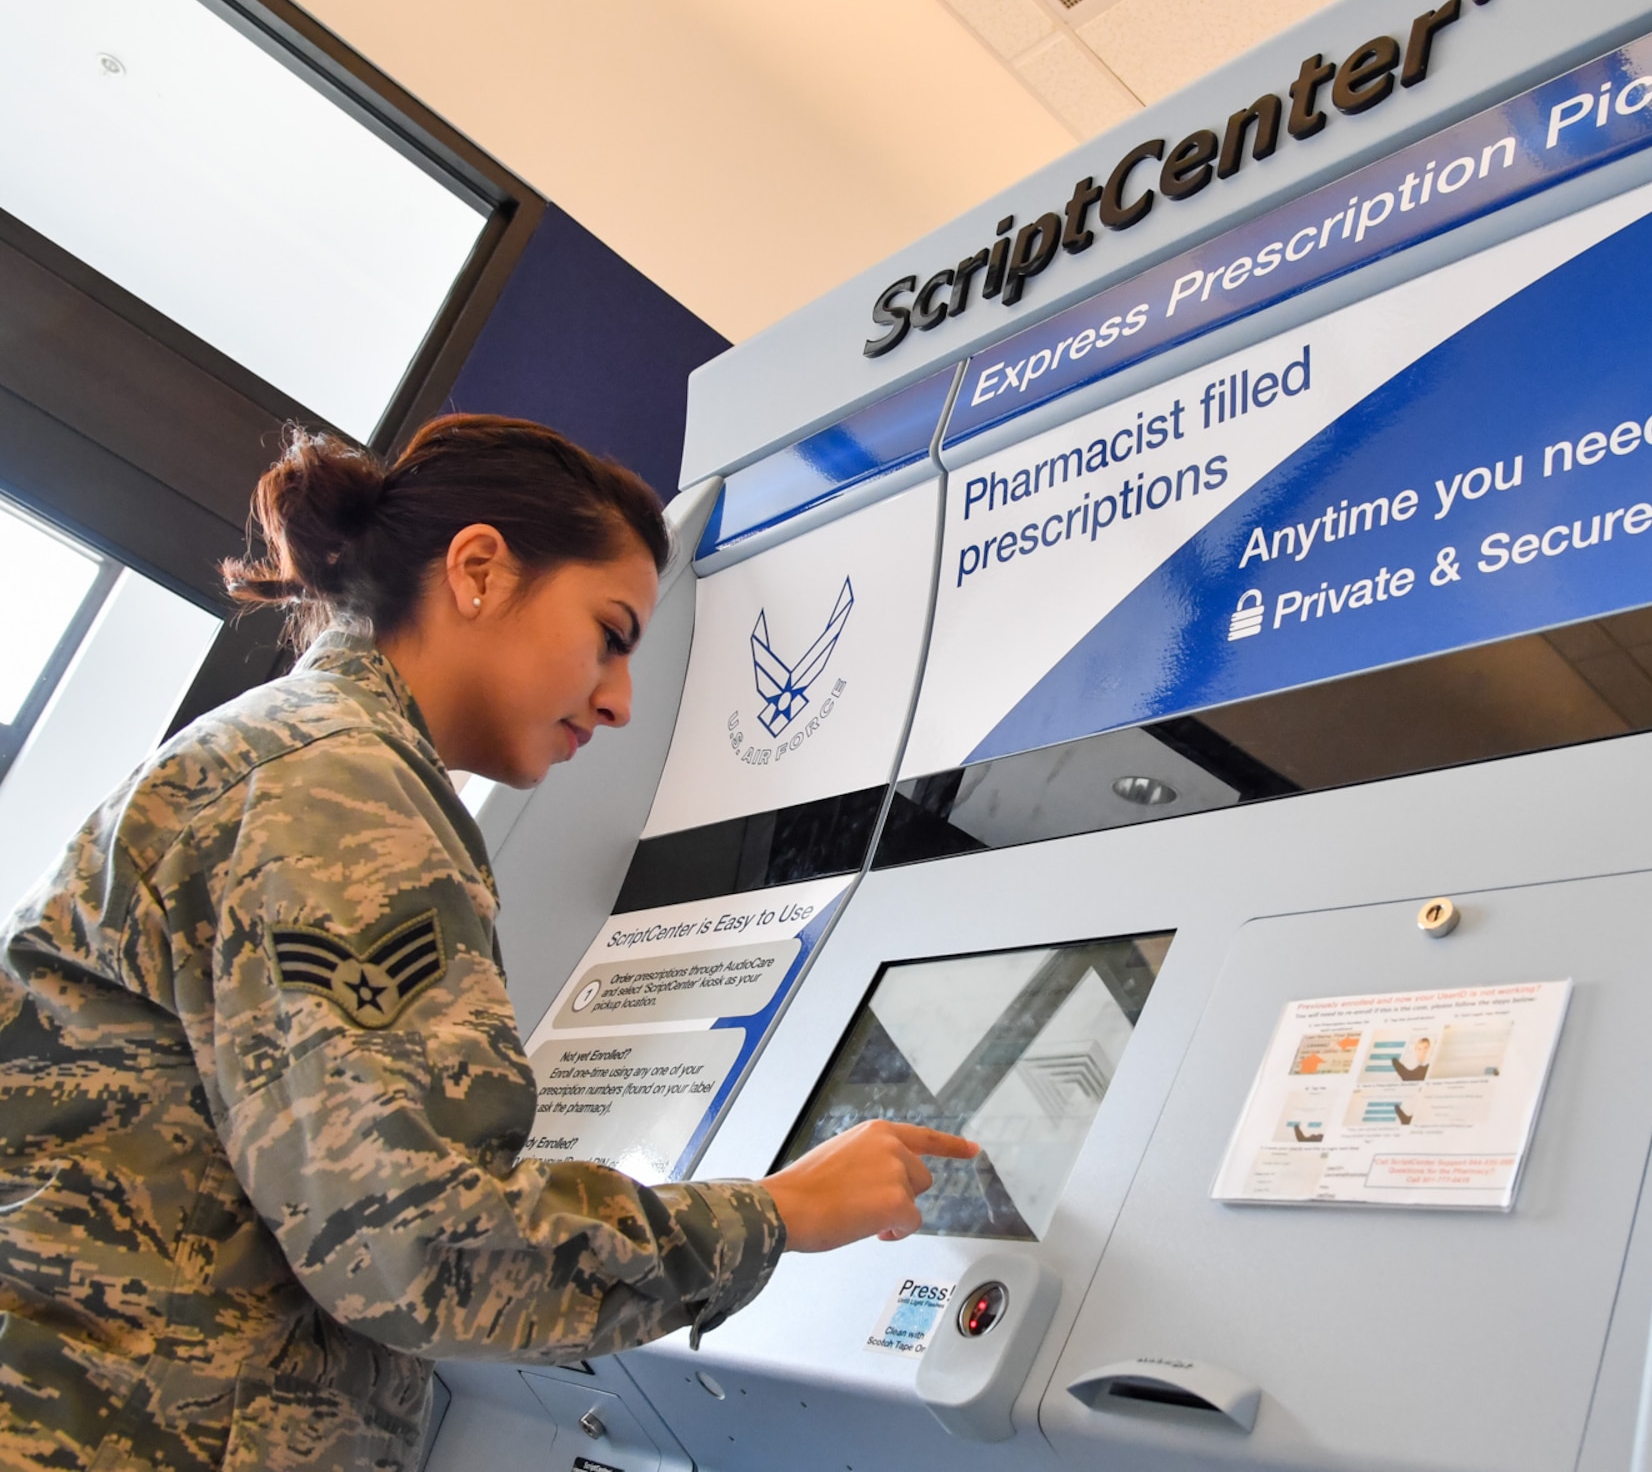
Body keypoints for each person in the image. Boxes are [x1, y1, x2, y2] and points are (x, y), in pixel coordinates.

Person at [0, 416, 975, 1471]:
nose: (618, 701)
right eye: (609, 633)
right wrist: (780, 1214)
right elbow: (417, 1249)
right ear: (477, 570)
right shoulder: (336, 789)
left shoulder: (299, 760)